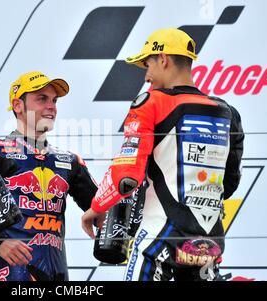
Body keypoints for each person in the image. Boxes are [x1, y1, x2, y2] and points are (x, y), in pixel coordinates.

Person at [82, 28, 244, 281]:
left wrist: (96, 207)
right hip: (208, 241)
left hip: (161, 236)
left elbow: (127, 176)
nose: (147, 76)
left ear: (163, 59)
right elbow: (230, 183)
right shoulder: (227, 112)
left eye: (147, 65)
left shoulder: (152, 102)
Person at [0, 71, 98, 281]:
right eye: (42, 99)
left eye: (54, 101)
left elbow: (102, 207)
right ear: (18, 106)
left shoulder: (69, 160)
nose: (51, 107)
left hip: (58, 274)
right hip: (14, 272)